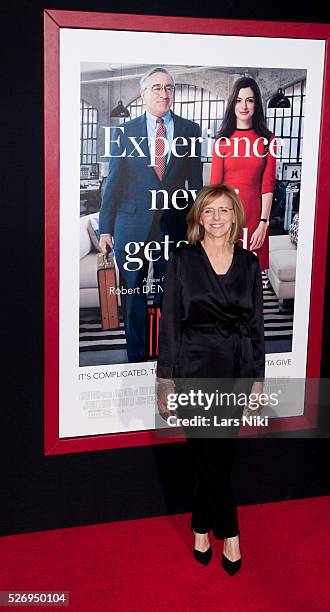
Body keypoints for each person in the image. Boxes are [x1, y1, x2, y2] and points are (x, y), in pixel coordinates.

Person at [156, 184, 265, 575]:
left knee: (218, 458)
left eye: (223, 211)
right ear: (198, 219)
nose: (216, 219)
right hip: (193, 367)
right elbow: (169, 321)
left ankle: (201, 525)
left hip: (234, 369)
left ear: (235, 215)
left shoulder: (250, 264)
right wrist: (166, 381)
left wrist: (257, 379)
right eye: (208, 212)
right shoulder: (183, 260)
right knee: (210, 457)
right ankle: (230, 533)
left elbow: (255, 326)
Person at [99, 67, 203, 362]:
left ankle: (164, 356)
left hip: (173, 227)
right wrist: (105, 228)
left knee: (168, 295)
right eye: (156, 87)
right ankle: (136, 358)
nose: (163, 93)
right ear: (143, 94)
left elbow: (195, 185)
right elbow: (113, 183)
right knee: (132, 297)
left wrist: (198, 225)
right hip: (131, 227)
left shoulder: (190, 130)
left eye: (168, 87)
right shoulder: (125, 132)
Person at [210, 76, 276, 271]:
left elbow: (268, 185)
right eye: (239, 100)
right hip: (226, 219)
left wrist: (263, 224)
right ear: (232, 104)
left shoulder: (267, 139)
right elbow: (215, 187)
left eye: (250, 100)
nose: (244, 106)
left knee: (251, 281)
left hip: (256, 219)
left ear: (256, 104)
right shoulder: (222, 140)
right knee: (224, 280)